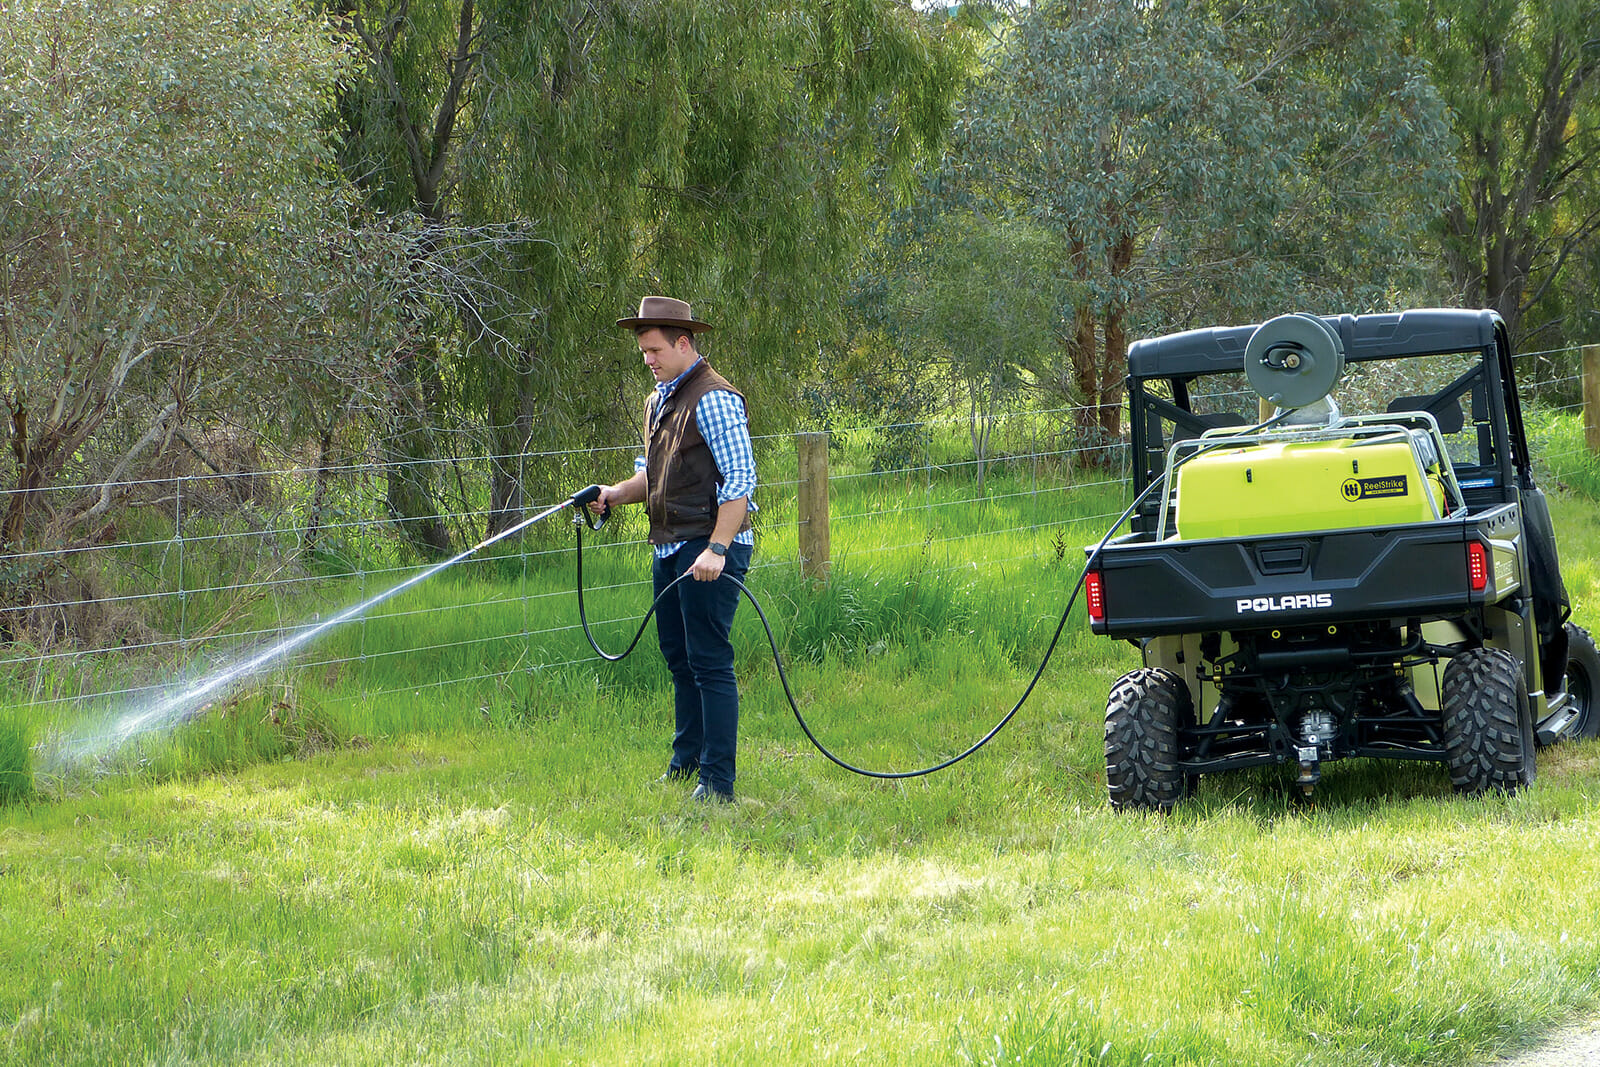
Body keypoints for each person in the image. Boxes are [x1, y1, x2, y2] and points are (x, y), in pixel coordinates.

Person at [590, 296, 756, 804]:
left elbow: (741, 481)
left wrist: (718, 548)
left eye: (655, 350)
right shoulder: (657, 400)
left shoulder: (714, 399)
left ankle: (718, 783)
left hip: (710, 547)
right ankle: (686, 766)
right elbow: (653, 477)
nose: (648, 360)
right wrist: (613, 494)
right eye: (643, 352)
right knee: (679, 658)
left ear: (684, 343)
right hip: (669, 546)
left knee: (709, 660)